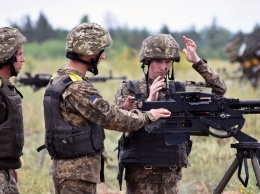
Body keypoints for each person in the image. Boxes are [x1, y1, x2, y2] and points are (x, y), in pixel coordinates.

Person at [38, 23, 171, 194]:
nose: (103, 56)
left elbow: (97, 114)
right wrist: (148, 115)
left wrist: (122, 108)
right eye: (101, 51)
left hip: (69, 172)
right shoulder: (78, 88)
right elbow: (110, 118)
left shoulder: (59, 79)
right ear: (89, 52)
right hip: (77, 174)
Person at [115, 34, 227, 194]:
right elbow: (118, 121)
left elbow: (218, 90)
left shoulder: (181, 89)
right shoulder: (129, 89)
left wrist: (197, 61)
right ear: (148, 62)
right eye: (159, 61)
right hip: (140, 172)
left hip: (170, 170)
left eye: (168, 62)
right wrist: (149, 100)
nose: (163, 67)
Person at [0, 27, 27, 194]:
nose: (23, 60)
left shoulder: (5, 88)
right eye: (19, 55)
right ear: (7, 56)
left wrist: (8, 167)